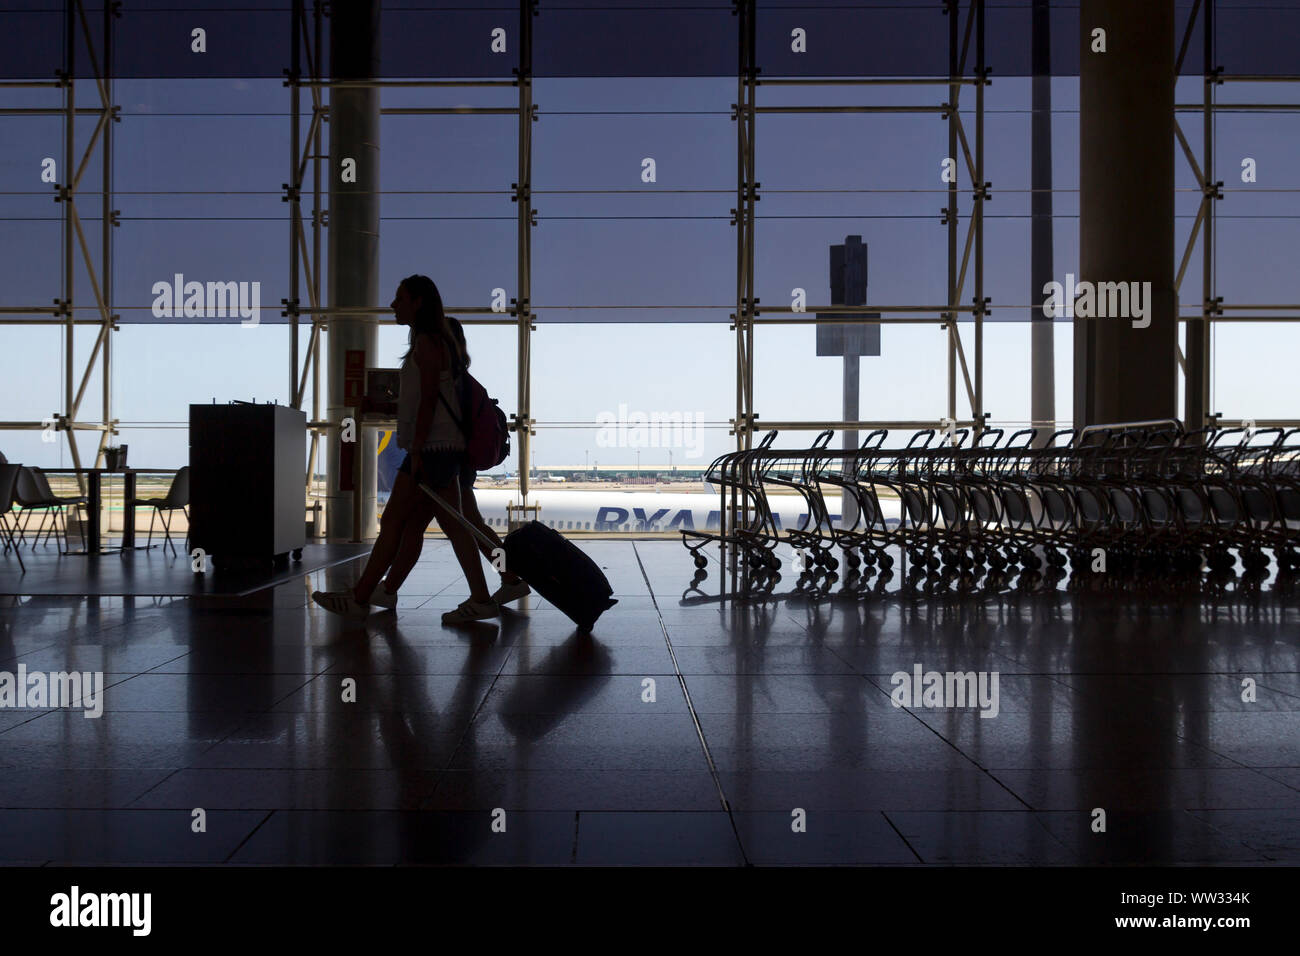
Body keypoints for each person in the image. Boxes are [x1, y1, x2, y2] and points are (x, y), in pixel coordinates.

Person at [312, 275, 498, 625]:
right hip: (438, 449)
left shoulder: (428, 343)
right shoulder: (435, 343)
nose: (393, 305)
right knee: (423, 524)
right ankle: (370, 594)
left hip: (431, 450)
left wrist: (415, 450)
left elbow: (429, 402)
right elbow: (424, 402)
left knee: (404, 523)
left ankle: (363, 596)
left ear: (418, 302)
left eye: (400, 298)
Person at [445, 316, 531, 607]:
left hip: (448, 462)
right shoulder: (467, 382)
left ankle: (378, 591)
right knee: (472, 524)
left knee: (464, 526)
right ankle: (509, 579)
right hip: (462, 463)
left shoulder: (448, 382)